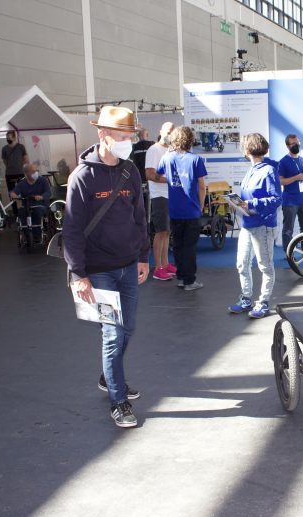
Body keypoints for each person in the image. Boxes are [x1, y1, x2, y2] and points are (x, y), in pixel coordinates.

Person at [62, 106, 150, 429]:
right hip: (98, 271)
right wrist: (78, 274)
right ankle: (118, 400)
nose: (128, 142)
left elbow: (140, 216)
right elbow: (71, 229)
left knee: (128, 329)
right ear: (103, 135)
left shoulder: (130, 171)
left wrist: (143, 256)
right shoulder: (82, 177)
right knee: (112, 335)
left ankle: (109, 375)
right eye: (123, 136)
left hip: (128, 265)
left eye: (130, 136)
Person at [228, 133, 282, 319]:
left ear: (248, 149)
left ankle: (264, 302)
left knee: (265, 266)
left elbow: (276, 199)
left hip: (263, 224)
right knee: (242, 264)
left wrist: (251, 204)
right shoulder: (251, 170)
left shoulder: (268, 170)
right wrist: (238, 203)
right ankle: (246, 298)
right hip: (248, 224)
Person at [156, 126, 206, 291]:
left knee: (177, 245)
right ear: (190, 140)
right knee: (189, 247)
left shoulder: (167, 158)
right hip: (191, 210)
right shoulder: (196, 159)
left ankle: (182, 278)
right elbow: (201, 187)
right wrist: (201, 205)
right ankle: (189, 281)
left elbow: (159, 174)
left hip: (175, 210)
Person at [145, 122, 175, 281]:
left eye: (172, 132)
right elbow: (149, 174)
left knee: (167, 231)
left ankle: (165, 263)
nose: (170, 134)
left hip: (169, 196)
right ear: (161, 131)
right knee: (160, 231)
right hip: (159, 196)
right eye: (168, 131)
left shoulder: (170, 150)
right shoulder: (153, 150)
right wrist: (170, 181)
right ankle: (158, 268)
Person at [278, 133, 303, 251]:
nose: (297, 145)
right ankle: (288, 252)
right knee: (288, 228)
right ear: (288, 146)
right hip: (290, 201)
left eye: (298, 143)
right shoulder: (283, 161)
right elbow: (281, 181)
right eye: (294, 143)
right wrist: (296, 178)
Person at [9, 163, 51, 243]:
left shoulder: (43, 181)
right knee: (22, 212)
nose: (35, 173)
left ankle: (37, 235)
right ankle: (26, 235)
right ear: (26, 173)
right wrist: (14, 195)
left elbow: (48, 192)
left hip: (40, 204)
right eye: (33, 171)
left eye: (36, 171)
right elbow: (13, 192)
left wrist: (41, 197)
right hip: (27, 206)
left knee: (37, 212)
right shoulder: (22, 184)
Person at [1, 131, 29, 195]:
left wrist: (21, 167)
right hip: (9, 174)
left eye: (9, 138)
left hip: (20, 173)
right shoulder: (4, 148)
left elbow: (25, 159)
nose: (8, 139)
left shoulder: (21, 147)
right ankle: (14, 205)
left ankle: (24, 205)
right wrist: (9, 166)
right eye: (7, 138)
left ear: (14, 138)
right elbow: (4, 160)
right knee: (11, 193)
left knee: (23, 191)